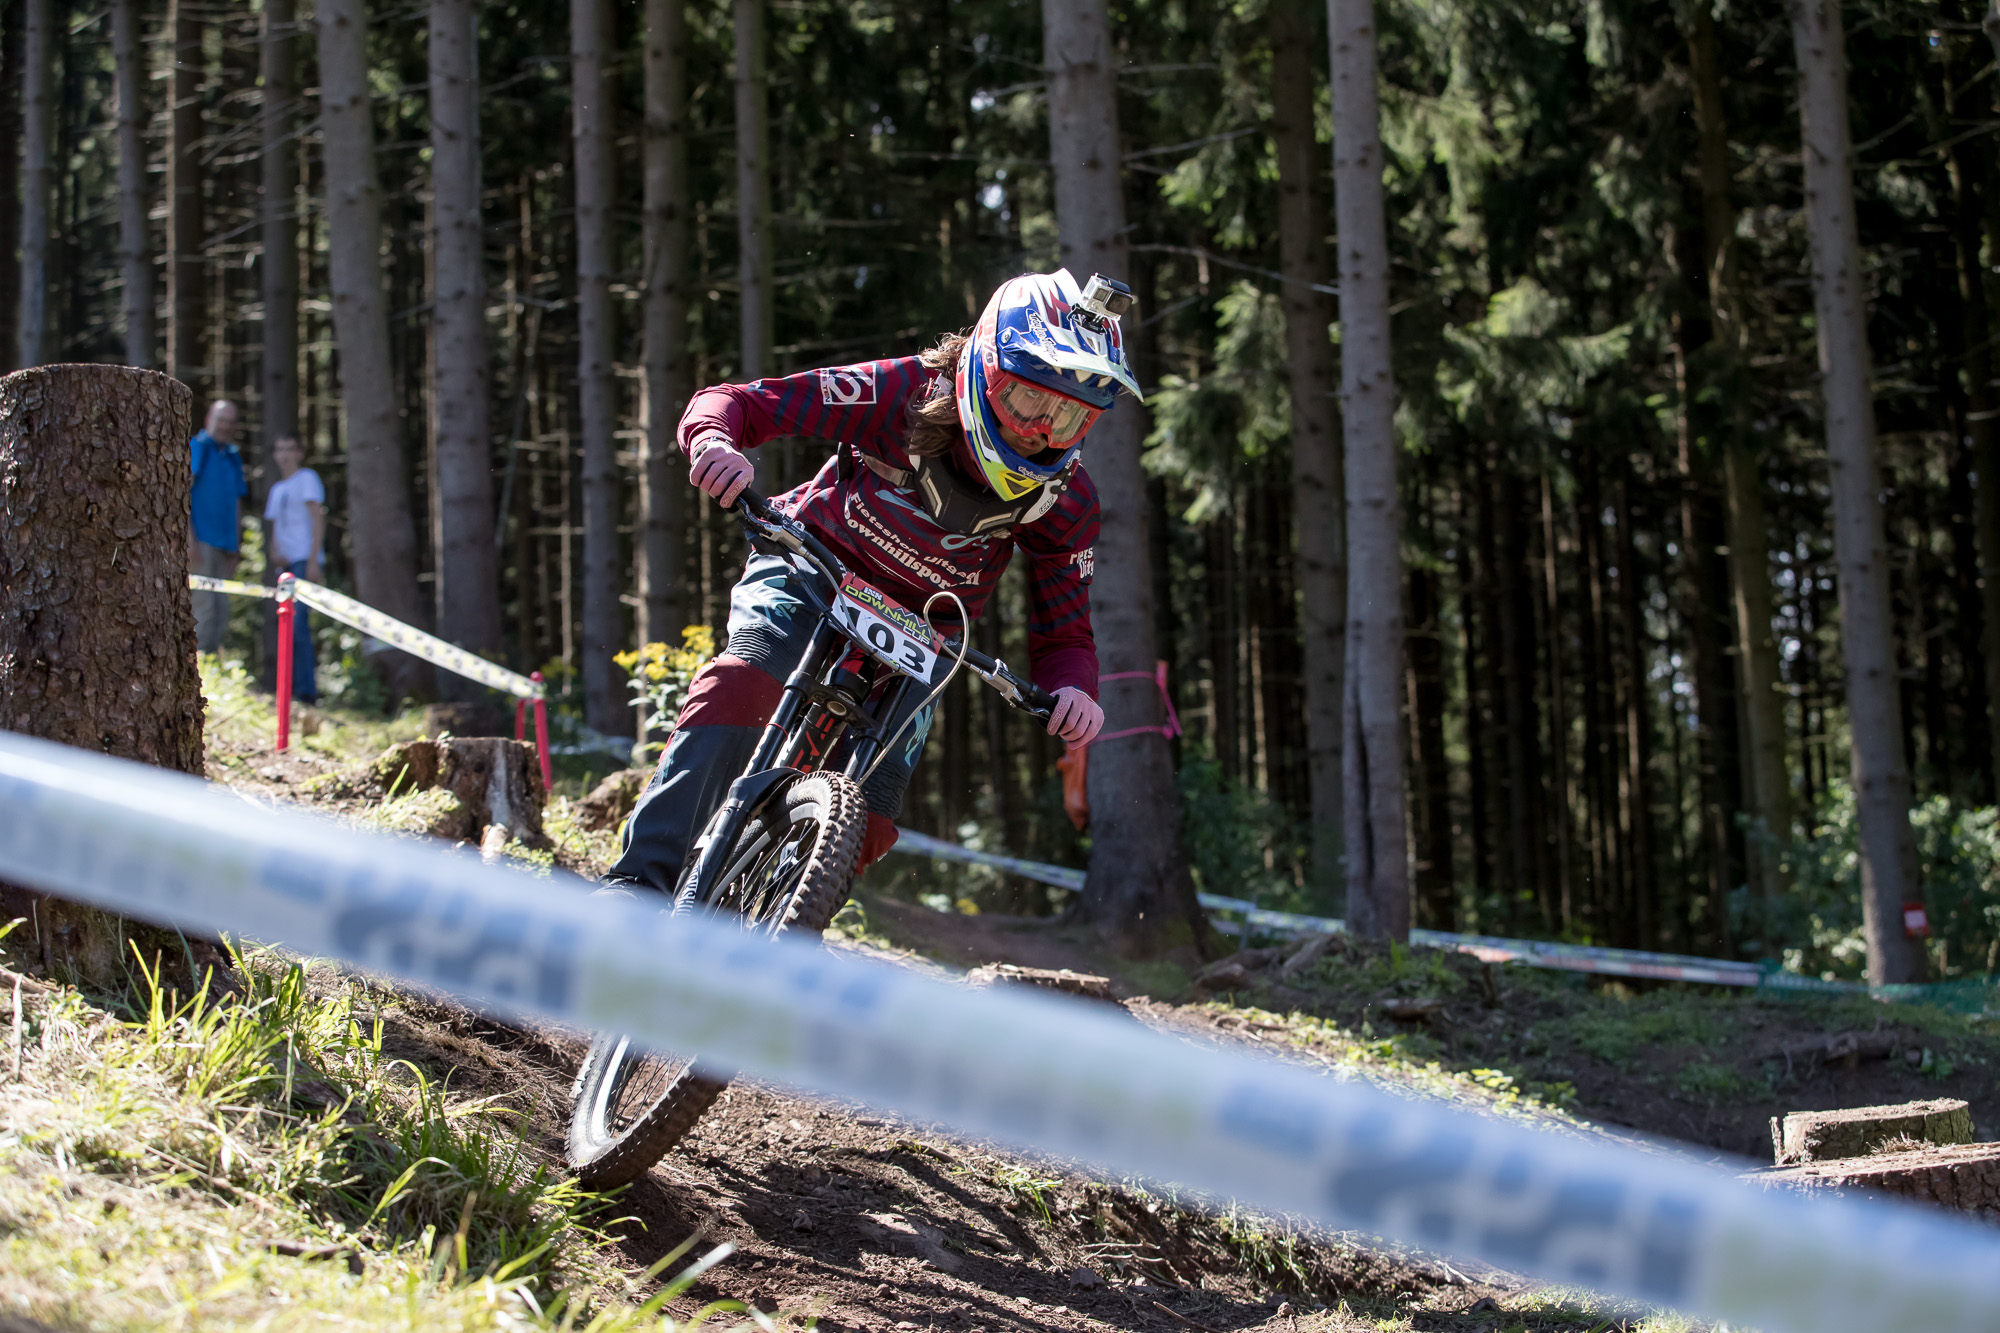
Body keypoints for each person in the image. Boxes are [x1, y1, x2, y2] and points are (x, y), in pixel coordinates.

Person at [610, 268, 1137, 894]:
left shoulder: (1068, 501)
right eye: (1029, 402)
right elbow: (743, 403)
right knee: (745, 683)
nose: (1042, 431)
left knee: (874, 816)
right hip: (812, 568)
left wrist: (1074, 690)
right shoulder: (903, 391)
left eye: (1071, 417)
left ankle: (783, 920)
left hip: (925, 634)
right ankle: (638, 883)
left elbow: (1065, 636)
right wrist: (713, 442)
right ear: (986, 367)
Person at [263, 433, 327, 704]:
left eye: (290, 449)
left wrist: (314, 560)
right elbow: (276, 526)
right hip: (285, 565)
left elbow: (317, 519)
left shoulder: (307, 479)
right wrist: (273, 552)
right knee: (286, 624)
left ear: (300, 453)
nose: (285, 455)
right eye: (280, 449)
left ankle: (306, 691)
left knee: (299, 624)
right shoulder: (277, 488)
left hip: (303, 560)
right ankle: (287, 690)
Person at [189, 400, 248, 654]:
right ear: (208, 420)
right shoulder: (198, 447)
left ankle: (210, 664)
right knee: (203, 609)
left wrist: (236, 546)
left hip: (225, 546)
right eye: (221, 420)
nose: (225, 426)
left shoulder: (232, 457)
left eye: (230, 422)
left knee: (221, 611)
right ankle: (196, 665)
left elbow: (236, 504)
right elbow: (182, 493)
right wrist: (188, 540)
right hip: (200, 542)